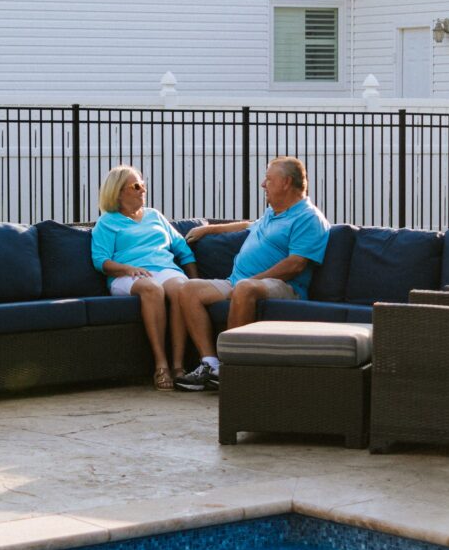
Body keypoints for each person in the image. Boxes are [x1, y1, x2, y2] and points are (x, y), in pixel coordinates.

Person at [171, 156, 329, 392]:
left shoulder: (308, 217)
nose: (263, 184)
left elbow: (295, 265)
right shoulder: (272, 213)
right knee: (188, 289)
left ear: (286, 182)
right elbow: (248, 225)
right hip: (239, 282)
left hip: (284, 287)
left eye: (268, 179)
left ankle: (231, 367)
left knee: (244, 288)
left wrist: (252, 281)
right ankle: (210, 364)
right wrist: (209, 228)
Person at [90, 164, 196, 389]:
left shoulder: (154, 216)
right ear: (119, 192)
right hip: (126, 276)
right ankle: (161, 365)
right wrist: (127, 269)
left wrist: (194, 281)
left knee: (182, 289)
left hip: (165, 268)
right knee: (151, 288)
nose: (142, 190)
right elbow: (101, 261)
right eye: (136, 186)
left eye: (143, 185)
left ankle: (179, 366)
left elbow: (183, 249)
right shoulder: (107, 222)